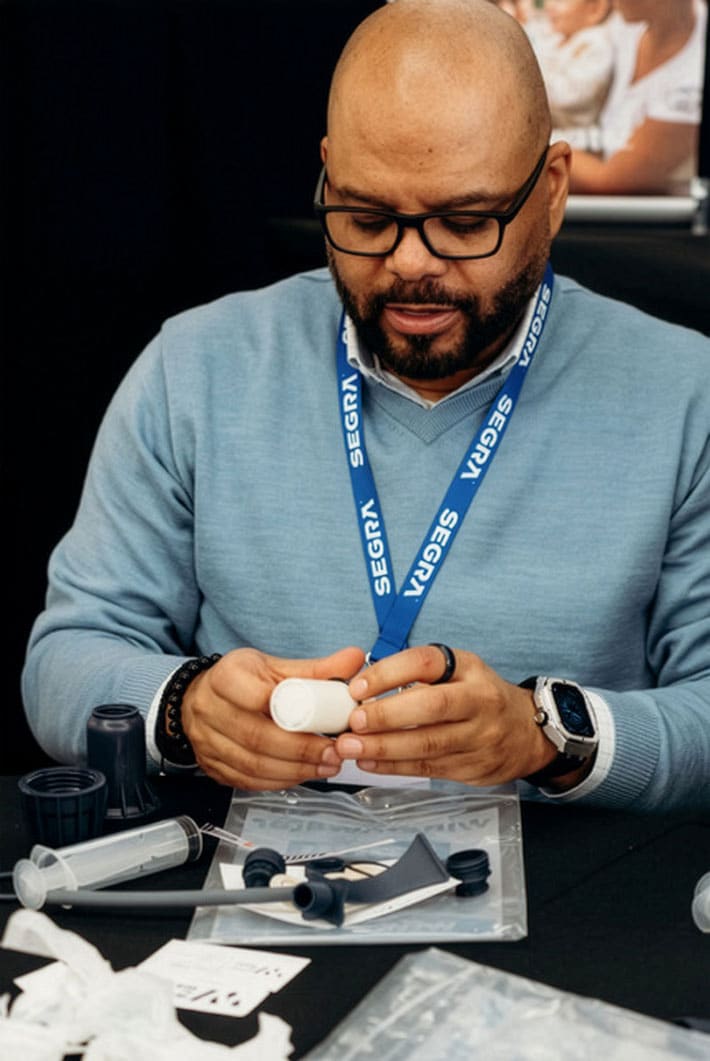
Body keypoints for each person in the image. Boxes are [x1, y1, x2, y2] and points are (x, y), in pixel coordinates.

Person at [22, 0, 710, 811]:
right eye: (366, 217)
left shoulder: (684, 394)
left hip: (578, 909)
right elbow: (64, 658)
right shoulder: (196, 366)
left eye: (465, 221)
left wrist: (547, 734)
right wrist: (183, 709)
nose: (411, 263)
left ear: (552, 191)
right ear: (326, 173)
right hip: (251, 889)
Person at [567, 0, 708, 194]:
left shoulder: (694, 78)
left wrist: (537, 149)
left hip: (647, 218)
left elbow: (611, 182)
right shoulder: (626, 26)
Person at [524, 0, 615, 137]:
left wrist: (525, 81)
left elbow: (566, 96)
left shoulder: (596, 44)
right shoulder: (557, 37)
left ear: (595, 9)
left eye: (561, 1)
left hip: (573, 135)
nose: (549, 6)